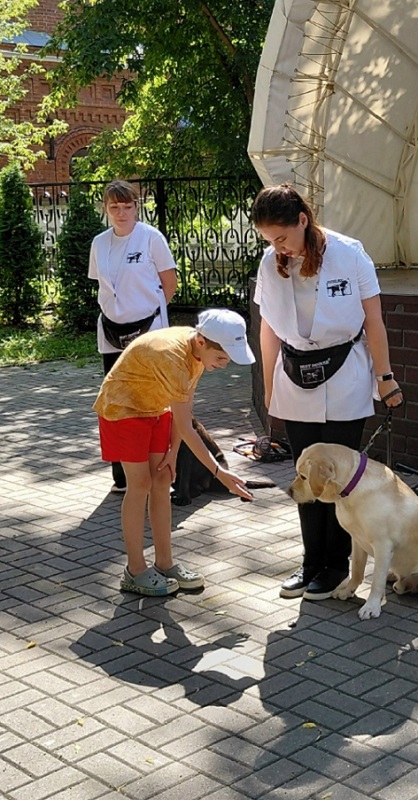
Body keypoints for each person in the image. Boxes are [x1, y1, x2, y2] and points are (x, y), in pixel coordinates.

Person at [251, 184, 404, 602]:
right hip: (294, 373)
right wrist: (269, 387)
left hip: (345, 373)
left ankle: (337, 567)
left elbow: (374, 320)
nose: (276, 247)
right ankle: (310, 562)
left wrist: (385, 377)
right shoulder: (271, 262)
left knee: (339, 479)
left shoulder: (350, 253)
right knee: (305, 476)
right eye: (268, 240)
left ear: (302, 220)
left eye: (281, 237)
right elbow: (267, 329)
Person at [94, 309, 257, 596]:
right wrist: (218, 472)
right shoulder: (173, 356)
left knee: (161, 480)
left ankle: (165, 563)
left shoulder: (197, 354)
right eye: (221, 358)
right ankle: (134, 570)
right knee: (140, 484)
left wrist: (172, 452)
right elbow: (186, 425)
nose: (224, 365)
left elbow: (185, 414)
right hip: (122, 409)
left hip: (155, 409)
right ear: (203, 342)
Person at [89, 180, 178, 494]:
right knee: (117, 404)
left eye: (127, 206)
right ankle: (123, 476)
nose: (121, 212)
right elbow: (103, 286)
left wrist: (150, 317)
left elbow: (169, 284)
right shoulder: (99, 243)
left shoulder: (151, 238)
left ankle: (158, 472)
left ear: (136, 207)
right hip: (112, 333)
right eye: (114, 207)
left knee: (152, 403)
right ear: (106, 209)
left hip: (148, 333)